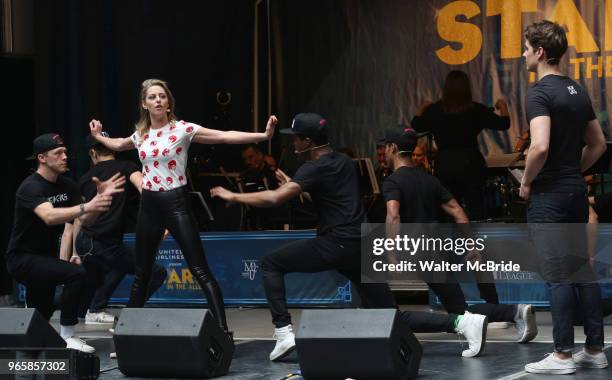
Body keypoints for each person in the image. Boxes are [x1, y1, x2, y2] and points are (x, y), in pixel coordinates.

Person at [211, 113, 489, 361]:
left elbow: (274, 199)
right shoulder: (344, 162)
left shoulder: (311, 168)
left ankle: (284, 333)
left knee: (272, 263)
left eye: (296, 138)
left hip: (336, 244)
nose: (293, 143)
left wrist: (233, 195)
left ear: (307, 141)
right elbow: (330, 198)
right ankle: (462, 323)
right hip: (361, 245)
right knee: (389, 316)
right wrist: (299, 188)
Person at [89, 78, 276, 337]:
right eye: (152, 97)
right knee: (141, 273)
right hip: (150, 204)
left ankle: (222, 332)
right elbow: (119, 144)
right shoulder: (141, 134)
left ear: (168, 103)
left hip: (176, 202)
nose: (158, 100)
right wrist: (98, 136)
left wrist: (263, 136)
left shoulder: (182, 129)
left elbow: (223, 137)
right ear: (144, 104)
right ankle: (126, 335)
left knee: (199, 269)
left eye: (162, 96)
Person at [380, 127, 538, 343]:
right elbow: (458, 211)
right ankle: (514, 311)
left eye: (385, 148)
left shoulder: (392, 182)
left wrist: (390, 252)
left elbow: (393, 215)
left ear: (393, 148)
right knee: (459, 309)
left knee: (384, 301)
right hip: (436, 249)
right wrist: (471, 245)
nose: (384, 153)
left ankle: (381, 334)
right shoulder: (429, 179)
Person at [520, 20, 607, 374]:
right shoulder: (577, 90)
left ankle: (562, 355)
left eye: (526, 48)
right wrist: (572, 167)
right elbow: (598, 144)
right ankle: (595, 349)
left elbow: (539, 146)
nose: (523, 54)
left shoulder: (538, 92)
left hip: (551, 195)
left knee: (558, 275)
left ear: (540, 52)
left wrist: (526, 181)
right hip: (574, 191)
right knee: (581, 270)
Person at [5, 133, 125, 353]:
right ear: (42, 158)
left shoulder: (68, 186)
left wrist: (100, 204)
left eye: (65, 152)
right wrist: (87, 206)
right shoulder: (30, 187)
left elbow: (83, 220)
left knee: (41, 314)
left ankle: (27, 360)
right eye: (58, 153)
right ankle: (67, 336)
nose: (65, 157)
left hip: (45, 258)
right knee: (76, 274)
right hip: (22, 258)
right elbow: (49, 217)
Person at [74, 134, 167, 324]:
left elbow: (79, 218)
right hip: (104, 244)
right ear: (113, 148)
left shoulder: (84, 178)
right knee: (156, 273)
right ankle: (128, 316)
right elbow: (145, 188)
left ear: (92, 153)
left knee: (115, 268)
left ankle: (88, 310)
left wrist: (75, 251)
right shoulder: (127, 167)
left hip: (85, 241)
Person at [411, 70, 510, 220]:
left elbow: (416, 125)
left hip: (445, 165)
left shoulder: (436, 110)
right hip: (471, 164)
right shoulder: (476, 110)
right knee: (476, 209)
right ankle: (474, 242)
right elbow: (504, 123)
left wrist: (423, 108)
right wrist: (503, 106)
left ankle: (448, 243)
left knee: (448, 211)